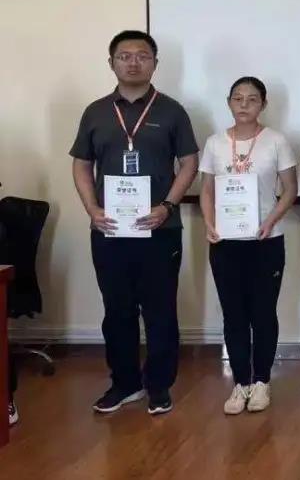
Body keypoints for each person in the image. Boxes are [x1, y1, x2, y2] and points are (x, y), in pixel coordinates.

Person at [70, 30, 198, 416]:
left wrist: (168, 205)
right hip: (109, 229)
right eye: (124, 56)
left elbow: (188, 163)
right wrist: (92, 209)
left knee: (160, 311)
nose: (133, 62)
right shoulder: (95, 112)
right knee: (117, 311)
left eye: (142, 55)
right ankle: (124, 384)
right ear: (111, 63)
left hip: (159, 229)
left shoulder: (172, 111)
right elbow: (81, 164)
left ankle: (159, 386)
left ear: (155, 63)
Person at [199, 76, 298, 415]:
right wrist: (209, 223)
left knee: (263, 312)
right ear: (229, 102)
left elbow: (290, 189)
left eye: (252, 99)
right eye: (238, 98)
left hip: (266, 240)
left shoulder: (276, 141)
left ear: (263, 104)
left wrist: (271, 220)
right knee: (233, 313)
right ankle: (240, 382)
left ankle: (261, 381)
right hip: (225, 242)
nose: (244, 104)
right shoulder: (214, 143)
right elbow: (207, 189)